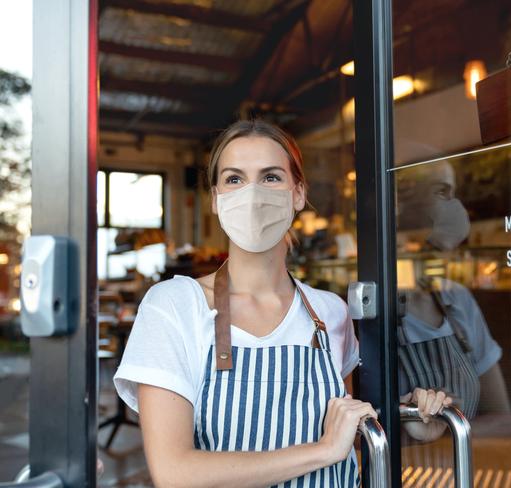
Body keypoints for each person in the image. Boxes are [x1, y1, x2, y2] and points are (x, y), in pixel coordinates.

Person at [113, 119, 451, 487]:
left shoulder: (329, 312)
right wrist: (321, 451)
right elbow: (175, 474)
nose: (253, 194)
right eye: (234, 179)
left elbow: (346, 430)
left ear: (298, 194)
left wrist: (413, 420)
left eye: (271, 177)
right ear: (215, 199)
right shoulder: (174, 307)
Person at [396, 159, 511, 444]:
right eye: (441, 192)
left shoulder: (457, 298)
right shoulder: (364, 314)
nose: (454, 206)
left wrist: (448, 429)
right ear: (401, 201)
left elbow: (504, 422)